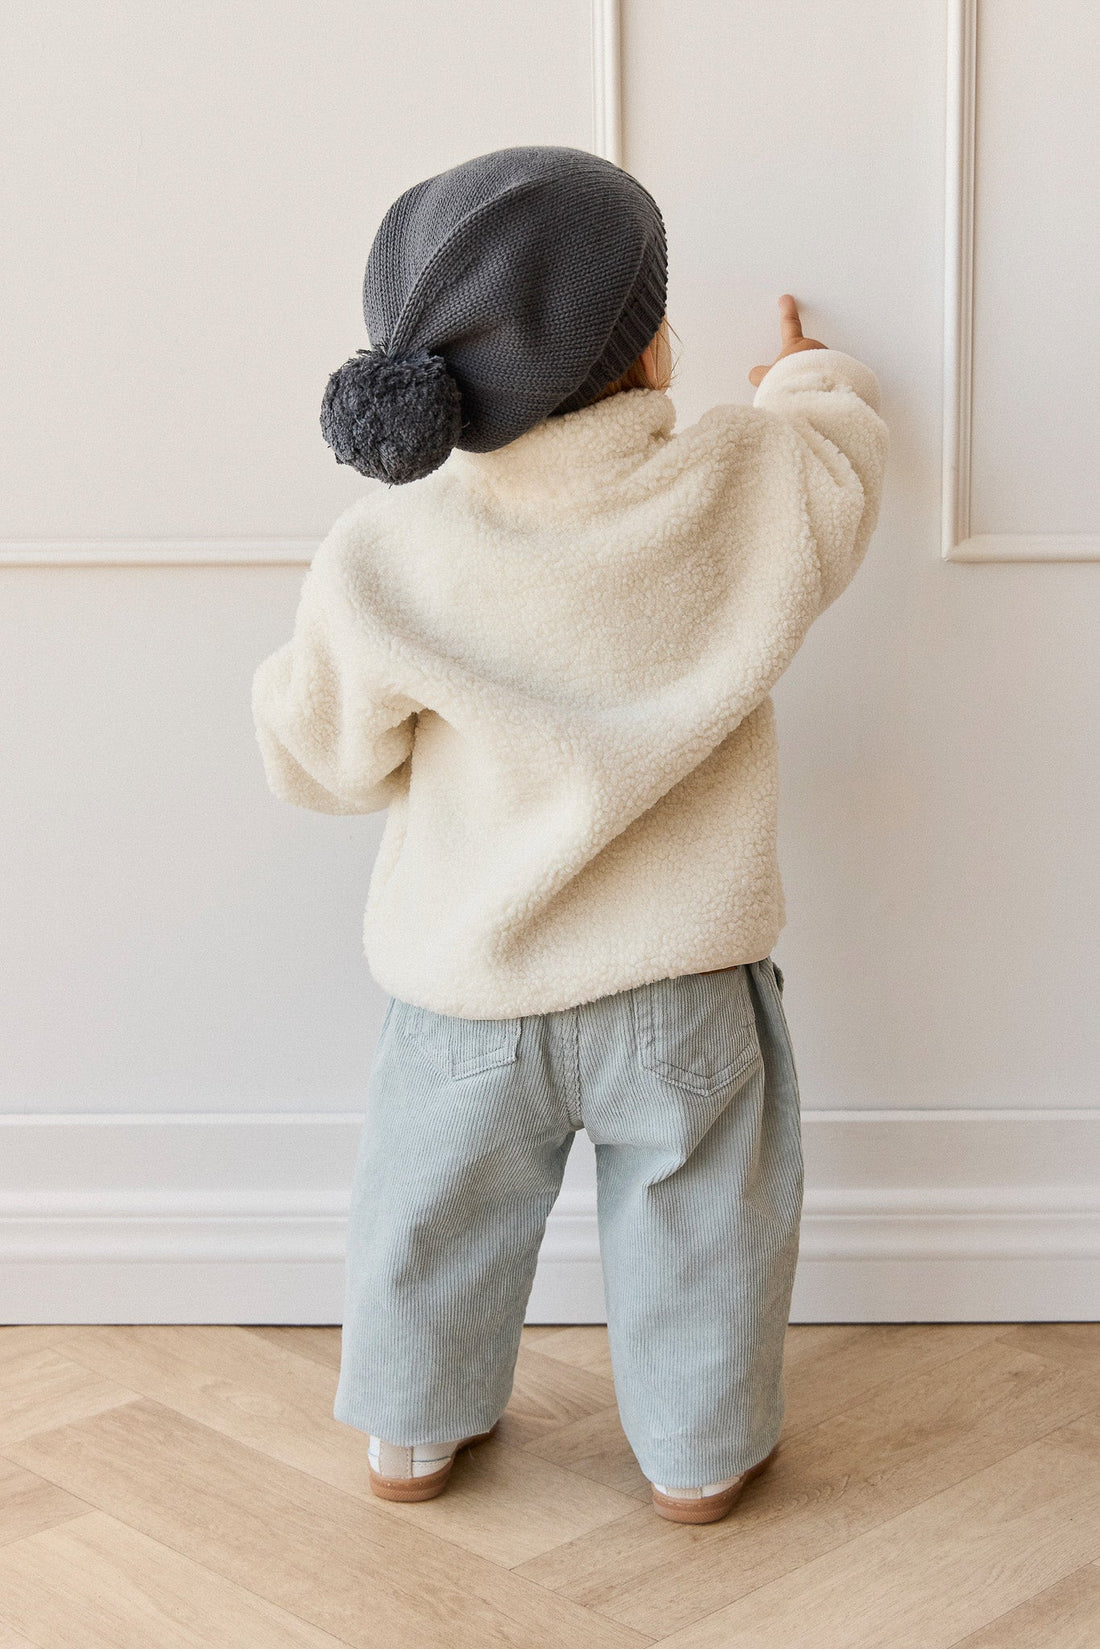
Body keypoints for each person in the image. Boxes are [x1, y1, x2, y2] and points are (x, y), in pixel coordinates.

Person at [252, 144, 888, 1524]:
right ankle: (699, 1455)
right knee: (705, 1229)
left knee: (432, 1221)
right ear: (654, 351)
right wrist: (806, 374)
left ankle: (414, 1431)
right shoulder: (744, 481)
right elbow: (840, 461)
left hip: (467, 996)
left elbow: (320, 760)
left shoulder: (388, 554)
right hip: (685, 983)